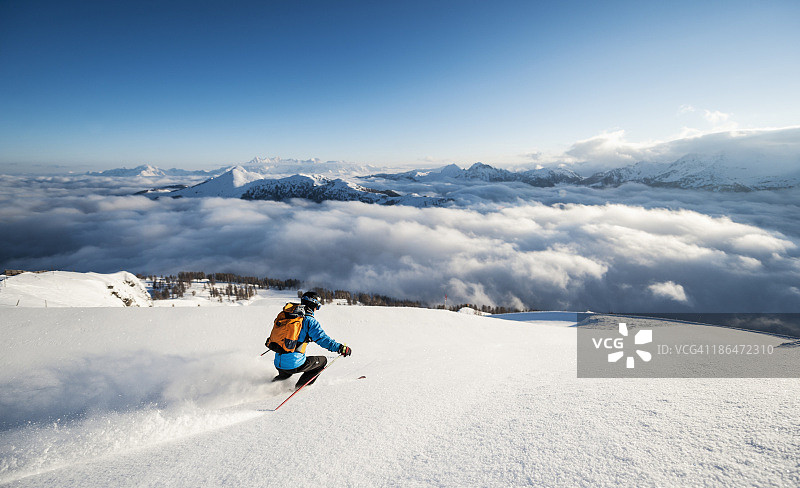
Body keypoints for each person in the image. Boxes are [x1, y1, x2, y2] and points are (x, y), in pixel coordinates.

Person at [271, 291, 351, 388]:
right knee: (322, 361)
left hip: (278, 362)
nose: (316, 309)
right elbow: (323, 339)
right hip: (293, 364)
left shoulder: (288, 316)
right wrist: (340, 348)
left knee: (286, 371)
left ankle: (269, 385)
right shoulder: (309, 321)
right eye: (317, 306)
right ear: (312, 305)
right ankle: (300, 388)